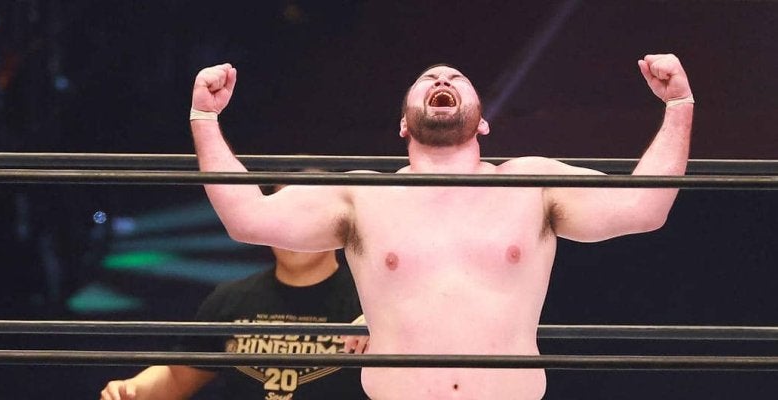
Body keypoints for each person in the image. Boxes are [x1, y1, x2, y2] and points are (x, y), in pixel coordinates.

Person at [187, 54, 692, 399]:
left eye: (455, 78)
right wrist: (205, 120)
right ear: (404, 124)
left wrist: (679, 107)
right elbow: (248, 218)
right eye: (429, 78)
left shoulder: (532, 184)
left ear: (483, 122)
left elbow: (643, 207)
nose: (442, 80)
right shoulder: (362, 195)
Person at [100, 242, 369, 400]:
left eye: (307, 214)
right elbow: (177, 375)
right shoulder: (231, 298)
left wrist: (383, 327)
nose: (293, 228)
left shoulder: (370, 302)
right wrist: (130, 390)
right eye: (283, 214)